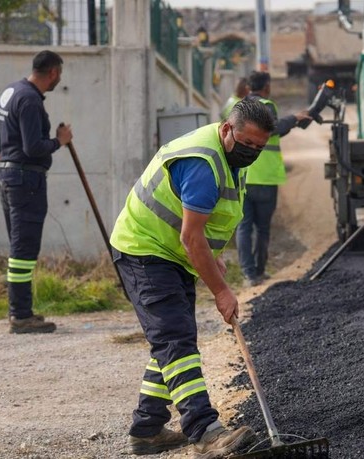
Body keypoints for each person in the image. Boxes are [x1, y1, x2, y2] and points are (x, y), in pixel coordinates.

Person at [110, 98, 274, 458]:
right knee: (175, 340)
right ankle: (204, 432)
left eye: (259, 148)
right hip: (145, 249)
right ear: (227, 128)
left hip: (171, 253)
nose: (251, 152)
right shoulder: (203, 164)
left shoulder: (231, 157)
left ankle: (147, 430)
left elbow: (204, 224)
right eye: (247, 143)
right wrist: (221, 290)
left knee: (174, 340)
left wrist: (213, 257)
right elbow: (191, 236)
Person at [0, 50, 73, 334]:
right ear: (52, 72)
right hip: (26, 181)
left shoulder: (11, 91)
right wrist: (59, 141)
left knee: (18, 246)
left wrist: (0, 152)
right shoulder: (30, 100)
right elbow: (33, 147)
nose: (59, 79)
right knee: (24, 248)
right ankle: (21, 315)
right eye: (59, 74)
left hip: (7, 176)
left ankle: (19, 311)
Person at [237, 71, 311, 287]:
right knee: (262, 228)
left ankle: (248, 274)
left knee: (243, 227)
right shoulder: (267, 106)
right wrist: (294, 118)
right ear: (266, 87)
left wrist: (292, 122)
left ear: (248, 87)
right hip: (265, 178)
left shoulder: (239, 107)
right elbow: (273, 128)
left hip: (243, 177)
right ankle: (258, 271)